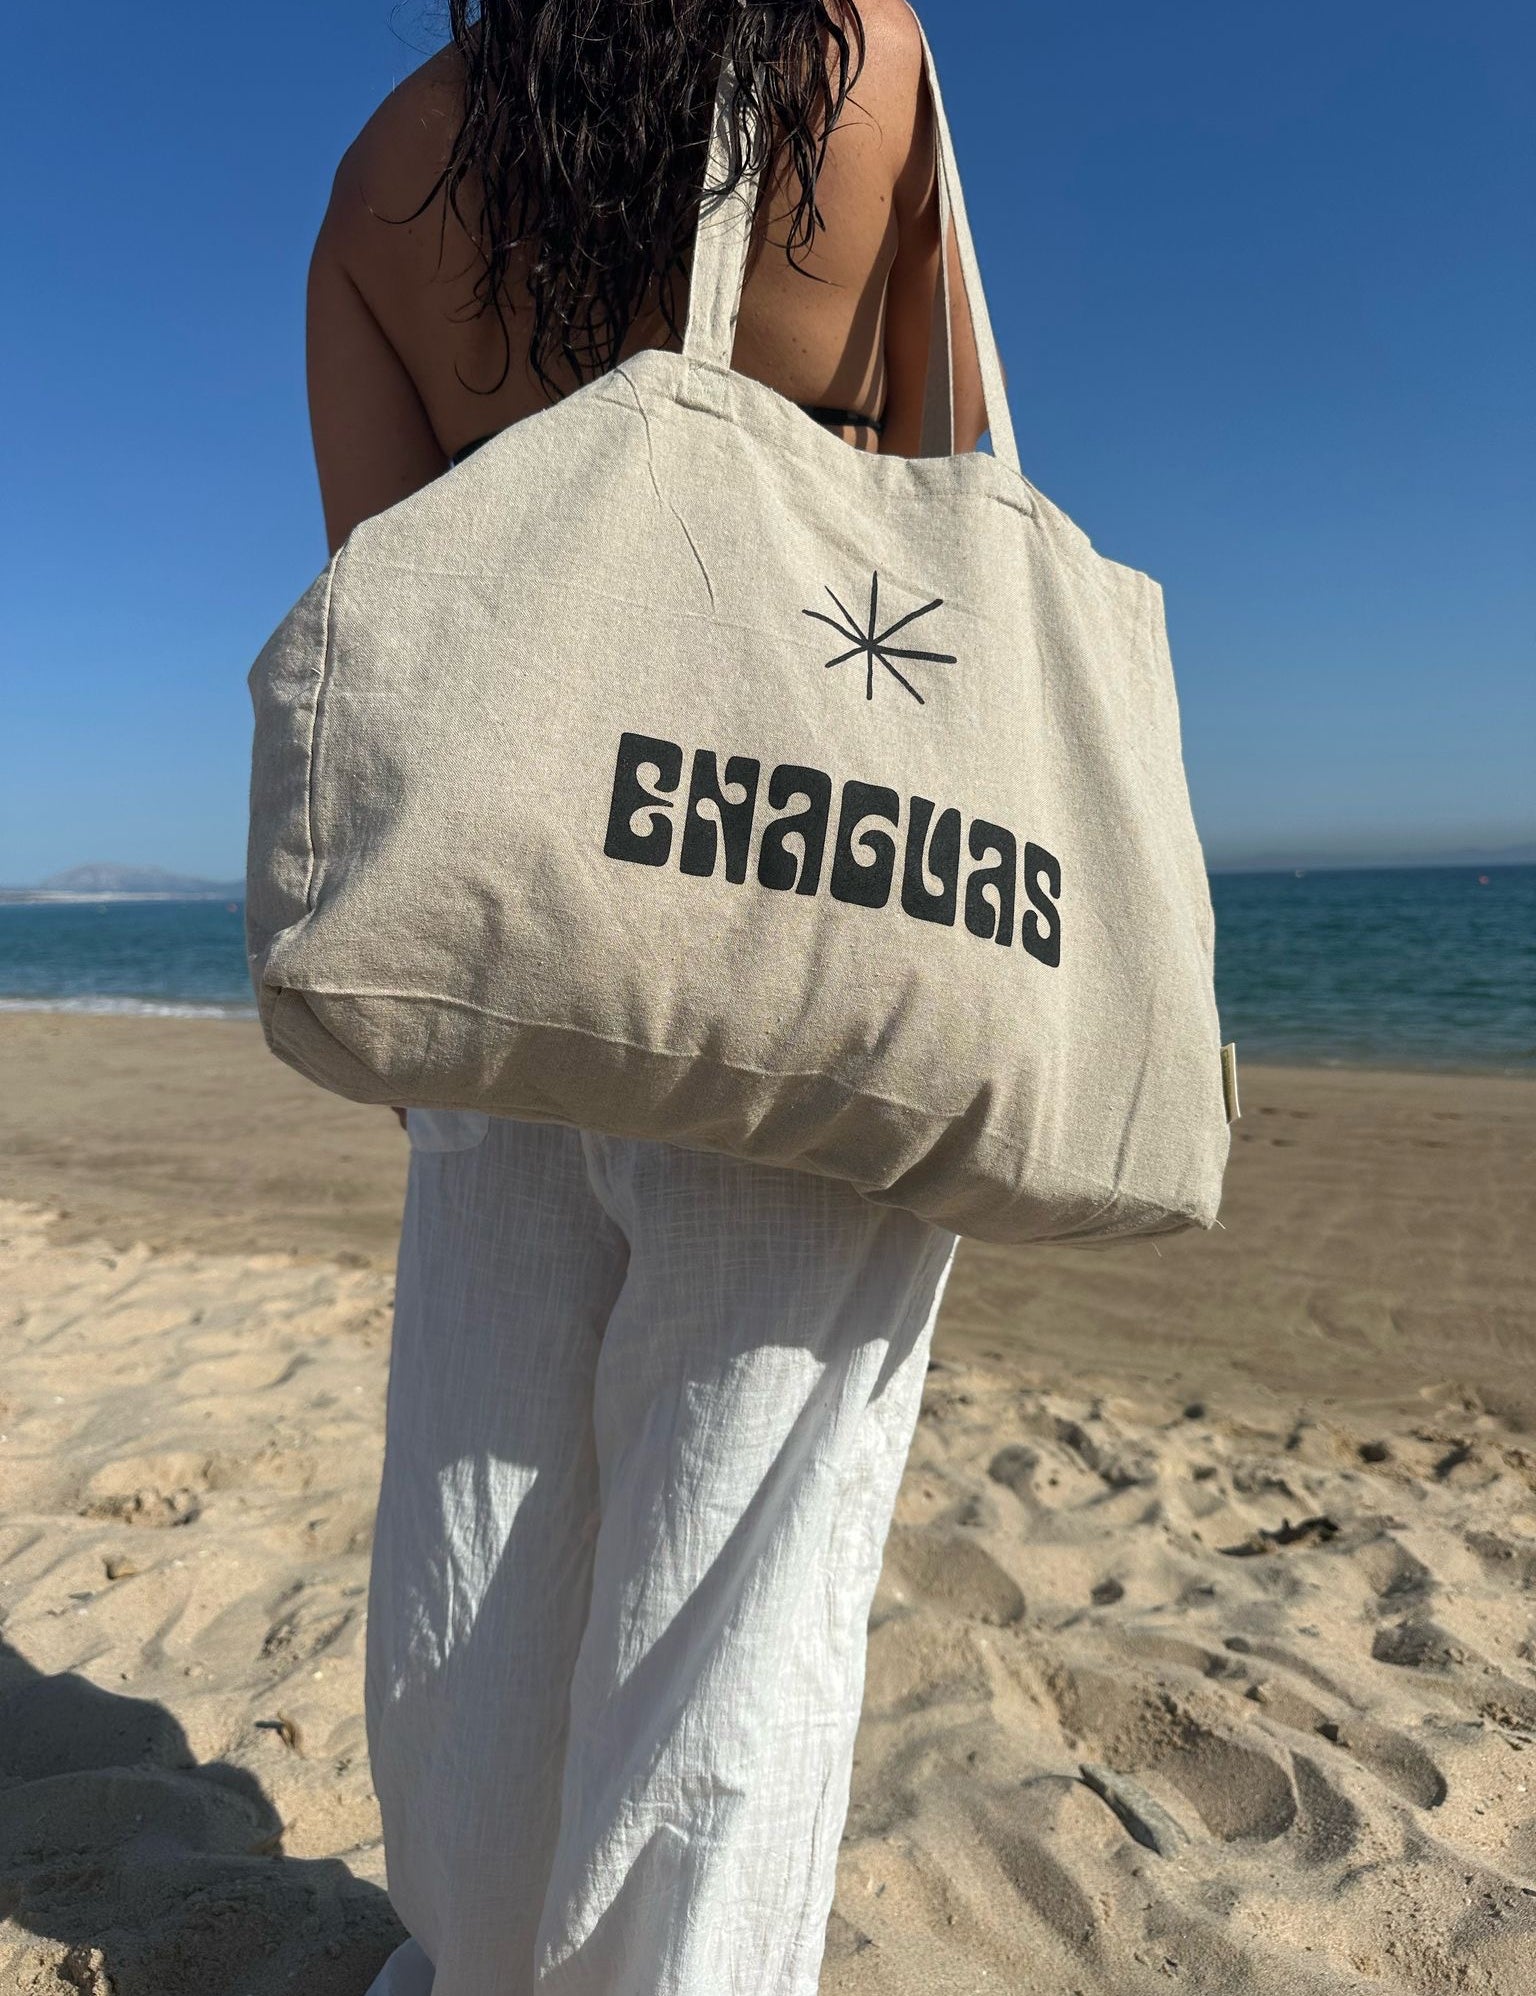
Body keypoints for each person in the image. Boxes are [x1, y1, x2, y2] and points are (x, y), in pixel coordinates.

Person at [305, 2, 987, 1989]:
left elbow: (389, 612)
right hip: (803, 926)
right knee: (741, 1578)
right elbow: (943, 523)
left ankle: (476, 1962)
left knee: (486, 1527)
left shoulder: (388, 173)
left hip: (519, 949)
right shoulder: (860, 62)